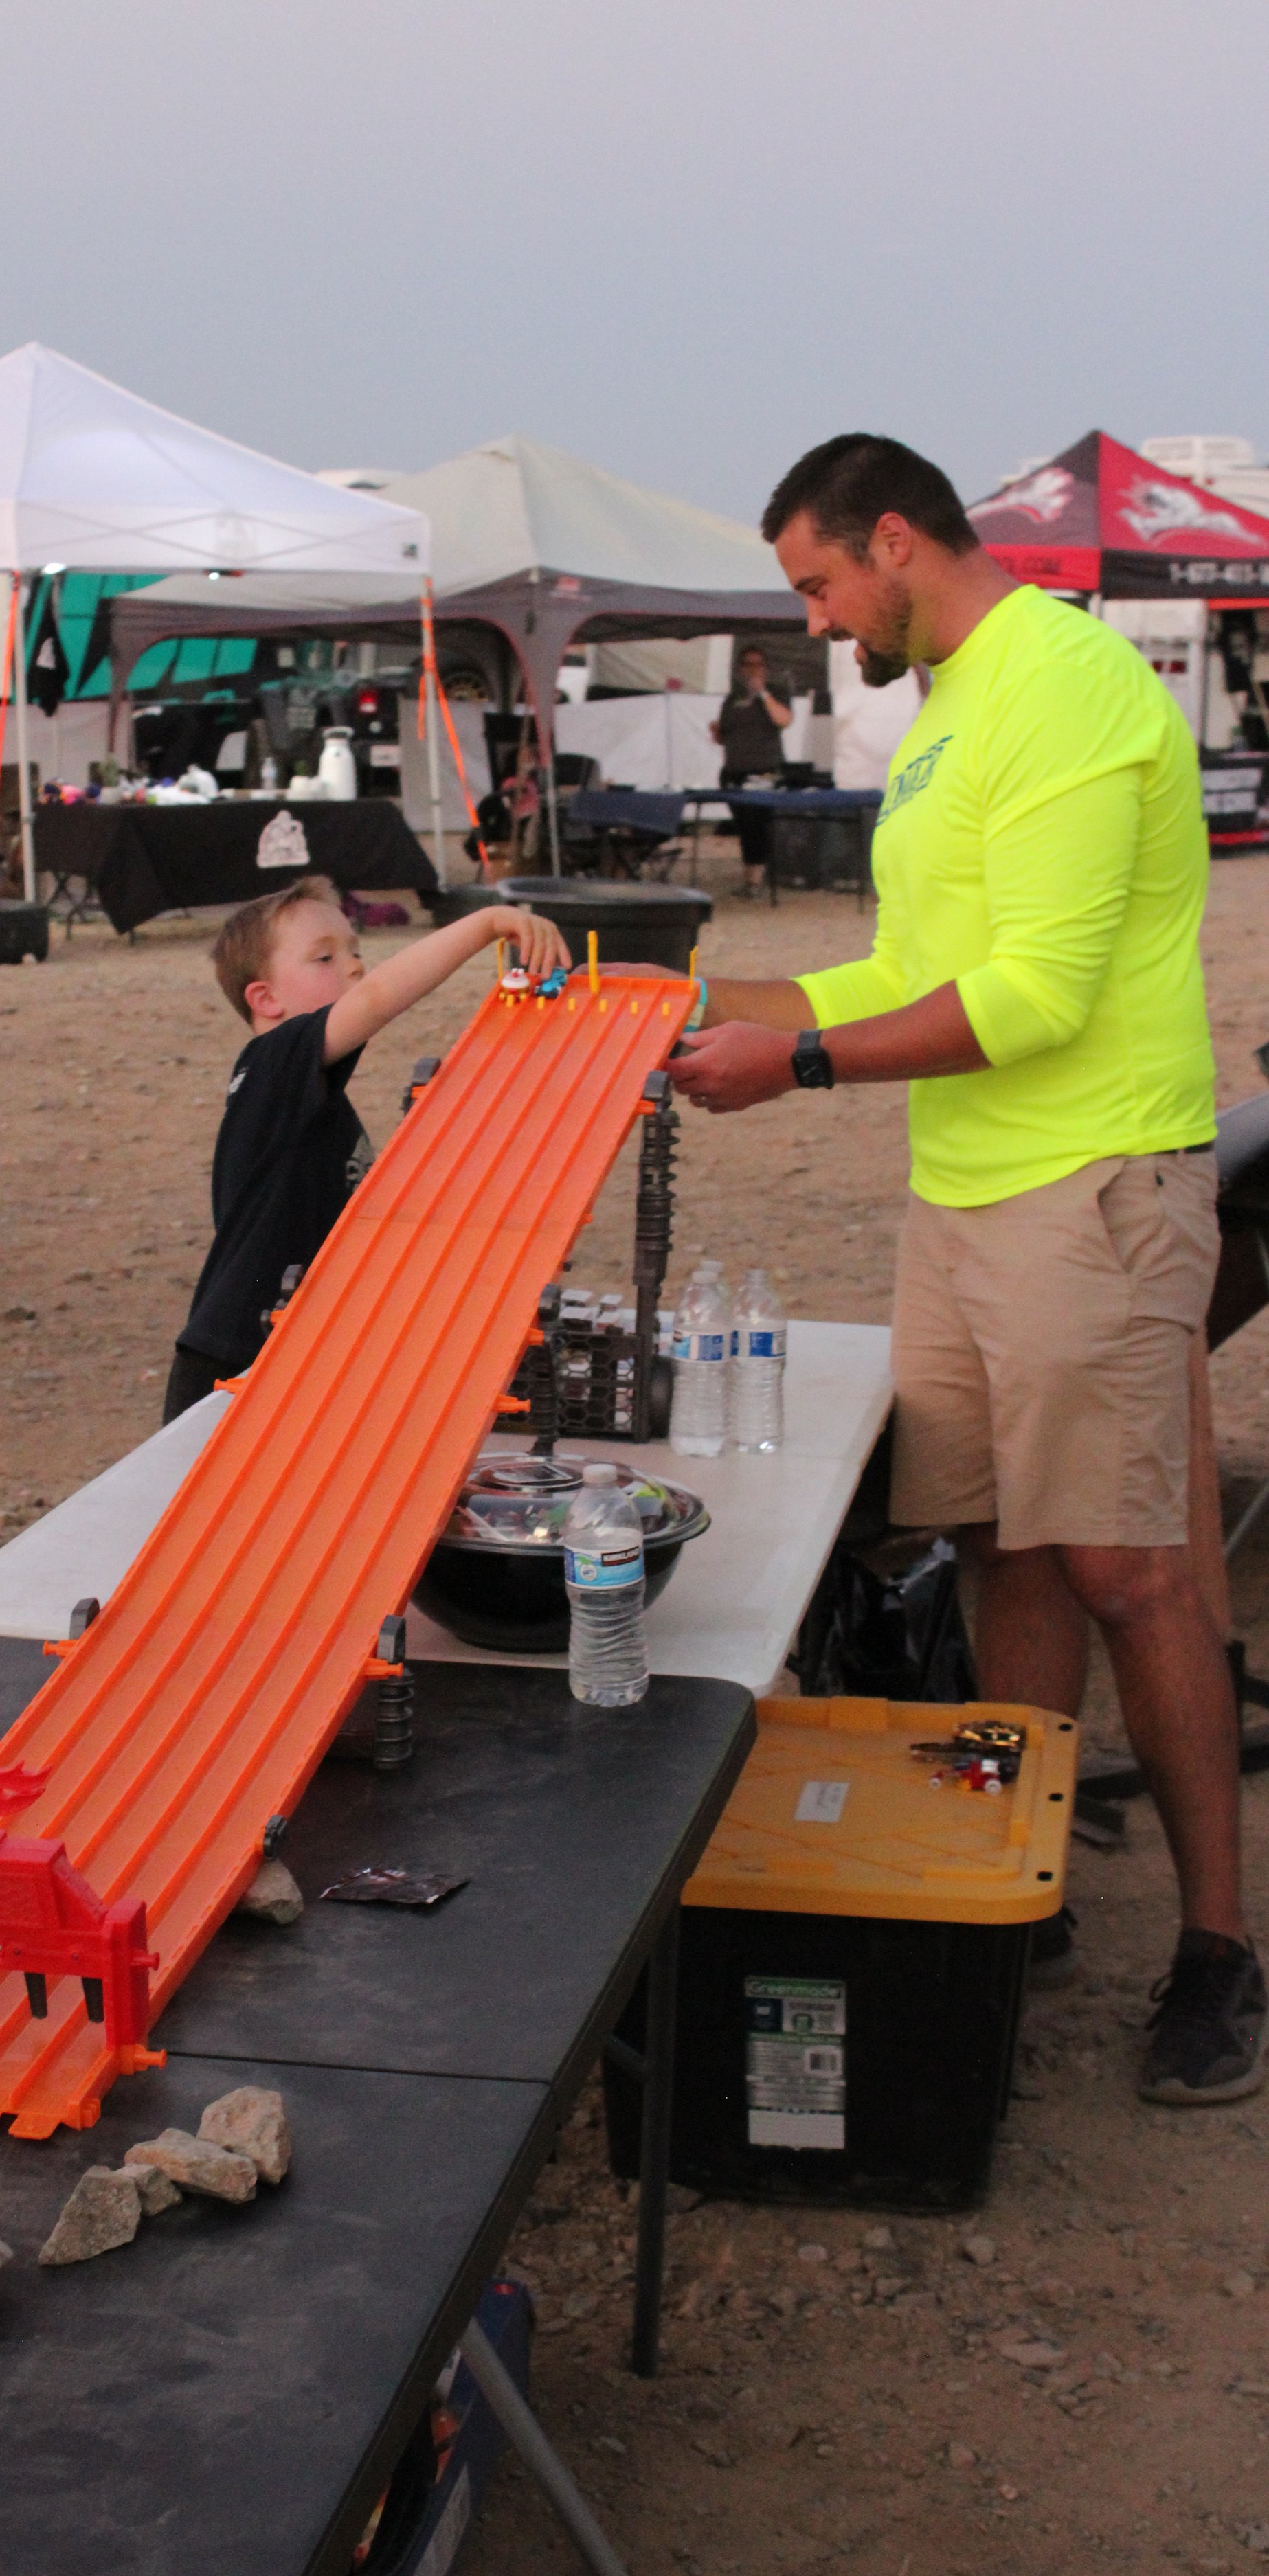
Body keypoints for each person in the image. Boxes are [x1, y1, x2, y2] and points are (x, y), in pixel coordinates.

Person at [670, 433, 1252, 2105]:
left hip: (1092, 1185)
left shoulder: (1060, 685)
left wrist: (795, 1067)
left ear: (894, 541)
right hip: (969, 1192)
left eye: (816, 584)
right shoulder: (940, 711)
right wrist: (683, 1003)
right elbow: (906, 970)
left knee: (1131, 1567)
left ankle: (1219, 1952)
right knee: (999, 1541)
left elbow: (1038, 994)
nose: (814, 619)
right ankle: (1020, 1873)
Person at [164, 879, 569, 1421]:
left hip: (292, 1359)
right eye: (325, 957)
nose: (355, 967)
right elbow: (376, 998)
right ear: (266, 999)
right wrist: (486, 924)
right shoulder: (271, 1063)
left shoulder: (312, 1100)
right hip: (235, 1362)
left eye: (355, 951)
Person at [710, 644, 792, 896]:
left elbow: (784, 720)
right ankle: (751, 878)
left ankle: (755, 881)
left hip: (764, 770)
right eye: (748, 664)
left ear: (765, 668)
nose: (753, 670)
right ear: (740, 668)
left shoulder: (776, 693)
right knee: (744, 825)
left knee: (758, 822)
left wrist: (763, 694)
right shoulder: (732, 699)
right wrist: (716, 732)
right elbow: (725, 735)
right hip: (734, 771)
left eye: (758, 664)